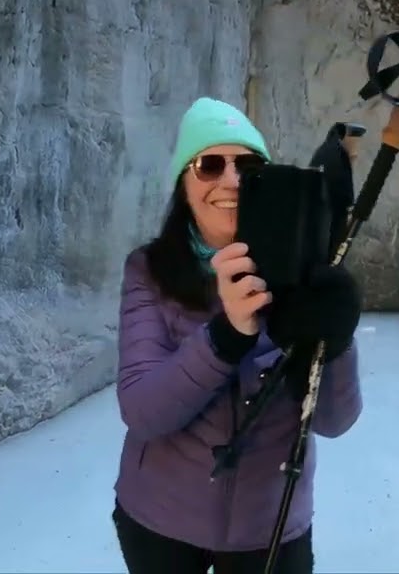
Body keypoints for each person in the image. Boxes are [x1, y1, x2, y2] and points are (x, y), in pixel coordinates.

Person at [111, 97, 364, 574]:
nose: (231, 181)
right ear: (184, 186)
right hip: (160, 518)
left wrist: (336, 340)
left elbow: (333, 421)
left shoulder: (303, 275)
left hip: (269, 526)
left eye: (248, 168)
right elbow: (142, 410)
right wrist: (225, 335)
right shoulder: (149, 270)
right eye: (209, 165)